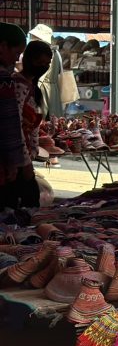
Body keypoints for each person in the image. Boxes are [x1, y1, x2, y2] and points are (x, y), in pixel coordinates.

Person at [12, 41, 54, 207]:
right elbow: (16, 125)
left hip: (25, 155)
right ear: (28, 60)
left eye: (46, 64)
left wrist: (34, 150)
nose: (43, 67)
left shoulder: (33, 87)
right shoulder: (18, 85)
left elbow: (33, 127)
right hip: (16, 157)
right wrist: (25, 161)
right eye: (39, 63)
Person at [0, 22, 30, 209]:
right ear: (3, 47)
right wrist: (14, 163)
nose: (16, 59)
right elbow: (9, 124)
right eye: (16, 53)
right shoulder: (4, 80)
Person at [27, 23, 67, 119]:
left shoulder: (43, 53)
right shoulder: (56, 52)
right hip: (54, 92)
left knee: (43, 120)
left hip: (42, 90)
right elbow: (60, 73)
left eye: (34, 37)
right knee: (53, 120)